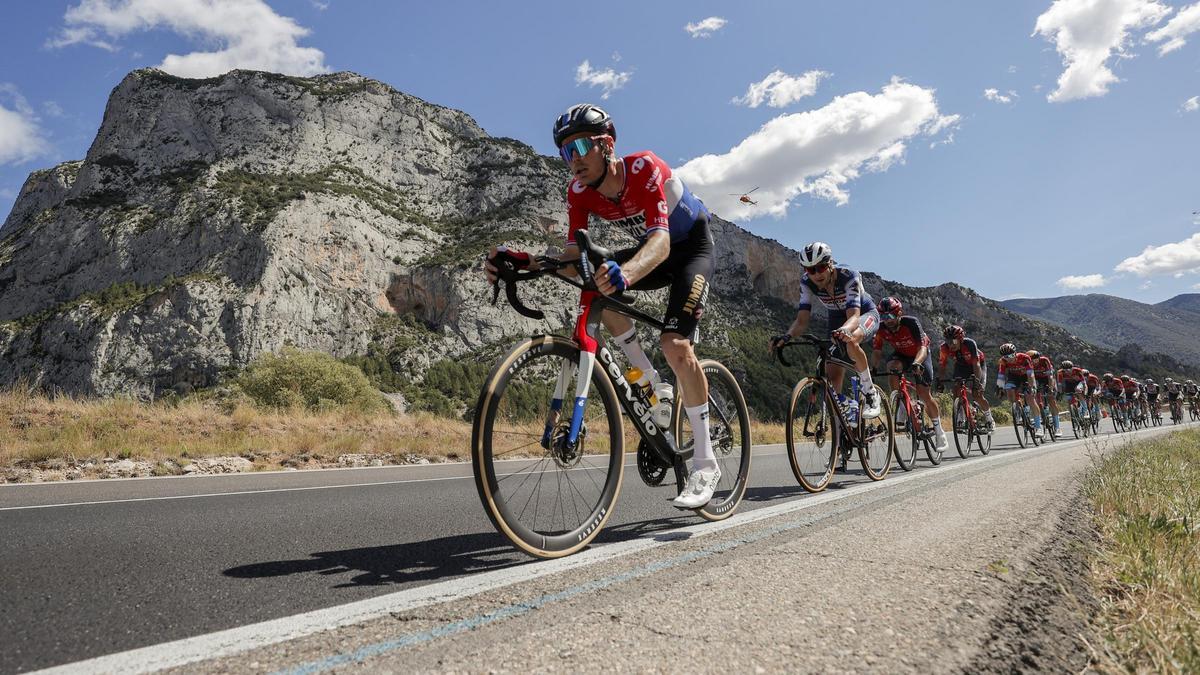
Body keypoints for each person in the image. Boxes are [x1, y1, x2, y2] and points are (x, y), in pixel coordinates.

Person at [484, 103, 719, 509]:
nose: (571, 161)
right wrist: (531, 261)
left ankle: (705, 462)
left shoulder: (644, 169)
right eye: (563, 152)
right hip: (650, 250)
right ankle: (648, 381)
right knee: (593, 282)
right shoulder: (578, 192)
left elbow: (660, 243)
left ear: (606, 144)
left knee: (676, 345)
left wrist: (624, 275)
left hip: (688, 248)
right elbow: (575, 255)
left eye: (577, 147)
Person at [770, 242, 882, 419]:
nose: (816, 274)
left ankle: (870, 394)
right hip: (837, 319)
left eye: (820, 267)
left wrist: (845, 330)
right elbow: (801, 320)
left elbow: (853, 316)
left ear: (830, 263)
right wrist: (787, 336)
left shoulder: (848, 276)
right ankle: (844, 423)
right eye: (810, 270)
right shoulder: (807, 283)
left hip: (864, 314)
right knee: (831, 378)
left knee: (851, 340)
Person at [870, 296, 948, 450]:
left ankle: (939, 432)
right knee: (891, 367)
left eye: (891, 316)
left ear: (899, 314)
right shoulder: (881, 328)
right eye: (884, 317)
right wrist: (873, 369)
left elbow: (923, 348)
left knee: (924, 393)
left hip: (920, 354)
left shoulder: (911, 323)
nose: (888, 320)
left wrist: (917, 363)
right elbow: (877, 351)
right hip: (901, 355)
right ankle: (901, 405)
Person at [937, 325, 994, 427]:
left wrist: (977, 383)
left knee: (977, 394)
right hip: (961, 366)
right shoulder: (944, 348)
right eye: (948, 341)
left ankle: (989, 419)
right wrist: (940, 381)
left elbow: (976, 365)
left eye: (953, 341)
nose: (951, 345)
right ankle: (960, 417)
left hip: (977, 365)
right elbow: (942, 365)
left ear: (960, 339)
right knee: (956, 390)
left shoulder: (970, 344)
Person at [996, 343, 1043, 439]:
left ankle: (1039, 427)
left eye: (1011, 355)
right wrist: (999, 387)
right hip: (1014, 377)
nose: (1009, 358)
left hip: (1026, 377)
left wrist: (1033, 386)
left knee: (1030, 400)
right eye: (1006, 356)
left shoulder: (1025, 358)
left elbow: (1031, 374)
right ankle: (1017, 408)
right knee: (1008, 389)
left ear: (1015, 353)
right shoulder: (1003, 361)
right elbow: (1001, 376)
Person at [1029, 350, 1059, 433]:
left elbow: (1050, 376)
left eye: (1036, 359)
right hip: (1037, 380)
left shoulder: (1044, 361)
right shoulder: (1028, 364)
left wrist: (1051, 388)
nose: (1035, 361)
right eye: (1032, 360)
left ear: (1039, 358)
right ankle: (1040, 414)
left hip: (1047, 379)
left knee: (1052, 401)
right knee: (1035, 397)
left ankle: (1057, 427)